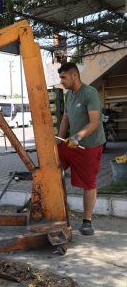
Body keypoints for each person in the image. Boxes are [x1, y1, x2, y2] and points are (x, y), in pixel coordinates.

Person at [57, 62, 106, 236]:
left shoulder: (90, 93)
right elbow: (65, 119)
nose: (61, 81)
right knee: (52, 167)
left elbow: (94, 122)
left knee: (89, 182)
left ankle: (87, 221)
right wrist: (59, 142)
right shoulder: (68, 95)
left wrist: (77, 137)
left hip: (89, 145)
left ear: (74, 75)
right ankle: (55, 212)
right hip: (71, 143)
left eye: (63, 77)